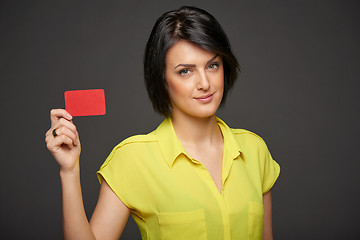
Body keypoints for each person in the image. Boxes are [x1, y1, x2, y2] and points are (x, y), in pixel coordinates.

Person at [45, 6, 280, 240]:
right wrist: (69, 171)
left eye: (212, 65)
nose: (205, 83)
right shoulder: (133, 159)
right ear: (162, 79)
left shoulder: (255, 150)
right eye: (185, 71)